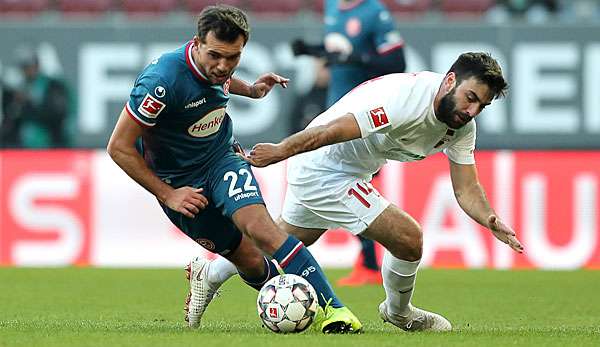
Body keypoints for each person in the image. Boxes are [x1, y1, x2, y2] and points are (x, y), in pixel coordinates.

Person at [106, 5, 361, 333]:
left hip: (221, 159)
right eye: (215, 55)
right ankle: (213, 278)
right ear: (196, 43)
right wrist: (168, 194)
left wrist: (252, 90)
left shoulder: (219, 69)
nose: (223, 66)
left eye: (234, 58)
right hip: (180, 183)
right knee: (253, 262)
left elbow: (219, 83)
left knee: (262, 230)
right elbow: (119, 147)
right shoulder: (161, 82)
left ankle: (334, 310)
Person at [242, 52, 524, 332]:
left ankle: (211, 273)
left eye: (481, 106)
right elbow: (331, 132)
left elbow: (466, 188)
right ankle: (399, 313)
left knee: (278, 243)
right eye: (471, 98)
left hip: (349, 170)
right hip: (325, 167)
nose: (472, 111)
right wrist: (280, 150)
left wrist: (489, 217)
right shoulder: (405, 100)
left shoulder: (462, 127)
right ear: (450, 81)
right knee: (408, 238)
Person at [291, 0, 407, 286]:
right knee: (337, 181)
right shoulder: (333, 6)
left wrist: (357, 58)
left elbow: (396, 63)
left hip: (363, 114)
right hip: (335, 110)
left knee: (348, 182)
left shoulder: (374, 12)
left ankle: (369, 262)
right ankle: (367, 261)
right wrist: (313, 51)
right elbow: (340, 53)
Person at [1, 45, 73, 148]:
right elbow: (10, 118)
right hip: (21, 145)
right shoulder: (18, 87)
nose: (27, 70)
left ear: (37, 65)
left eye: (29, 66)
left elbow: (58, 113)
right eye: (23, 67)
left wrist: (30, 103)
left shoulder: (51, 86)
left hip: (50, 143)